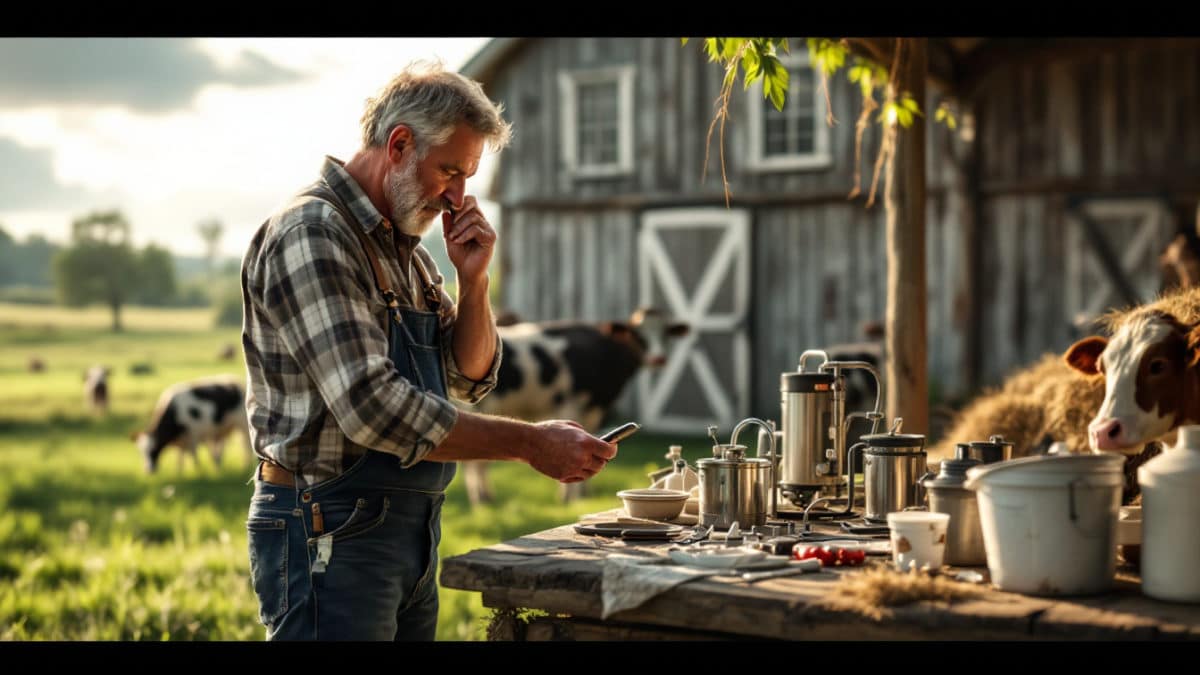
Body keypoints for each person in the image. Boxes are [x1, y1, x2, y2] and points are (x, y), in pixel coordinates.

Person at [240, 61, 618, 641]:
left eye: (467, 177)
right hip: (329, 528)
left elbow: (466, 378)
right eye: (450, 171)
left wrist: (474, 282)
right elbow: (372, 406)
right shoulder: (314, 233)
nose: (457, 197)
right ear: (398, 145)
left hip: (408, 529)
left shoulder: (406, 251)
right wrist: (530, 443)